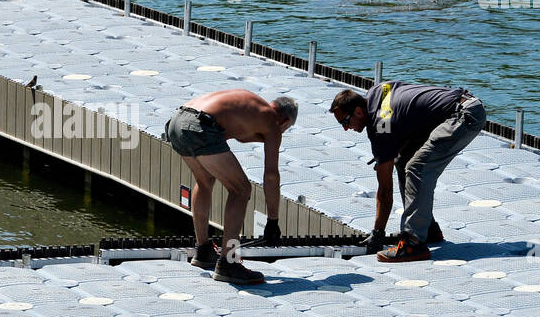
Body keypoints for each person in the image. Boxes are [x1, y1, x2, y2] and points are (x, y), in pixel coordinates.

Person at [330, 81, 486, 262]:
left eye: (345, 121)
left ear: (358, 111)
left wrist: (377, 234)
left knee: (417, 167)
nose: (345, 128)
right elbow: (405, 116)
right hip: (458, 107)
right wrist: (389, 152)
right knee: (404, 160)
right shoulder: (376, 93)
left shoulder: (381, 124)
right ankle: (427, 229)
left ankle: (413, 243)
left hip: (464, 116)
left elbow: (385, 190)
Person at [164, 90, 297, 284]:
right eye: (285, 130)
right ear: (285, 121)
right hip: (200, 126)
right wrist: (273, 221)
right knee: (241, 189)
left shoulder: (250, 105)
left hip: (177, 120)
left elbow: (236, 135)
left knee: (204, 181)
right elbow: (271, 176)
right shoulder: (273, 122)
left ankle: (203, 251)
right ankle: (229, 263)